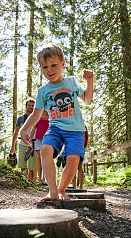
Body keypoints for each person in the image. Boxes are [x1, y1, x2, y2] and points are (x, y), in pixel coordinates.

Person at [20, 43, 94, 201]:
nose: (49, 70)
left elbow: (87, 100)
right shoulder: (43, 91)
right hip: (55, 129)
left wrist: (90, 81)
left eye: (53, 65)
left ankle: (61, 190)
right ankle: (52, 191)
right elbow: (36, 114)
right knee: (45, 150)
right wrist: (24, 129)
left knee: (73, 158)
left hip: (76, 130)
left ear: (63, 63)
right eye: (44, 67)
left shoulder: (72, 82)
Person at [10, 98, 36, 182]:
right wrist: (13, 146)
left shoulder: (36, 118)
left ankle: (30, 183)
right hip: (22, 144)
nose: (31, 107)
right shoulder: (20, 119)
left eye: (32, 106)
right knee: (22, 165)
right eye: (29, 105)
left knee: (31, 166)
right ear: (26, 106)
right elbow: (16, 132)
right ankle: (24, 182)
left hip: (33, 144)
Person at [31, 109, 49, 185]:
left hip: (48, 139)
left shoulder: (50, 116)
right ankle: (39, 179)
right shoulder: (38, 115)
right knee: (39, 158)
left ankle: (44, 178)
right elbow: (34, 128)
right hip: (38, 139)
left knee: (45, 159)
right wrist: (30, 138)